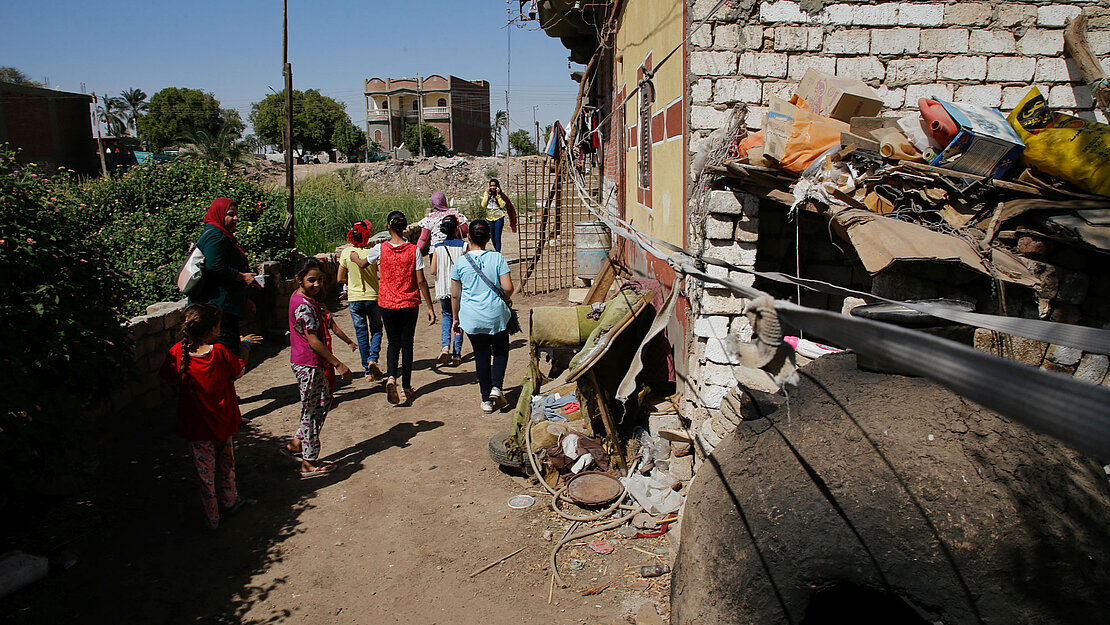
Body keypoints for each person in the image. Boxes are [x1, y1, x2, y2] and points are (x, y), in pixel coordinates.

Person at [160, 303, 261, 530]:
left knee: (204, 473)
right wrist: (244, 345)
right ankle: (230, 500)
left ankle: (212, 517)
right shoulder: (219, 353)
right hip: (222, 420)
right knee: (226, 464)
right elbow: (239, 370)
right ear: (211, 330)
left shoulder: (178, 352)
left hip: (195, 424)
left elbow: (168, 377)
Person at [350, 211, 436, 405]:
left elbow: (363, 264)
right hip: (409, 303)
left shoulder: (380, 249)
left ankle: (391, 378)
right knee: (407, 345)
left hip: (387, 304)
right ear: (404, 227)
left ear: (388, 227)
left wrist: (355, 257)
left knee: (392, 343)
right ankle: (406, 386)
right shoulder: (413, 250)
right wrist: (430, 307)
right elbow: (421, 281)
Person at [286, 258, 353, 479]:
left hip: (306, 362)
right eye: (311, 280)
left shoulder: (300, 299)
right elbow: (314, 341)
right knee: (314, 411)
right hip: (310, 364)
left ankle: (296, 443)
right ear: (299, 279)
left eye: (320, 280)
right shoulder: (304, 306)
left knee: (319, 403)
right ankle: (309, 461)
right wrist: (338, 363)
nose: (317, 285)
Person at [450, 219, 515, 413]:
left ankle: (486, 400)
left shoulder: (460, 262)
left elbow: (455, 294)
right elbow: (508, 287)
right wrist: (507, 298)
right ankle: (497, 387)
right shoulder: (497, 258)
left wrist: (455, 318)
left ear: (468, 236)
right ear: (489, 238)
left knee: (481, 355)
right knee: (501, 350)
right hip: (496, 314)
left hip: (472, 316)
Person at [190, 198, 261, 364]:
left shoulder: (220, 234)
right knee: (227, 355)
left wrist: (245, 298)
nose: (235, 218)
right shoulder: (216, 236)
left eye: (236, 214)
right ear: (220, 214)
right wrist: (242, 276)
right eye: (230, 214)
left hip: (224, 304)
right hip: (219, 307)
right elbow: (215, 265)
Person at [337, 220, 384, 380]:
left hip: (355, 298)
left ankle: (367, 370)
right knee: (377, 329)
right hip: (373, 296)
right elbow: (382, 272)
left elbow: (339, 277)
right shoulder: (373, 252)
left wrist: (352, 282)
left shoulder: (346, 253)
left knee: (361, 332)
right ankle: (373, 358)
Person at [430, 214, 466, 366]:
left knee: (446, 316)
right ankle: (457, 354)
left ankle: (445, 347)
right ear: (457, 229)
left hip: (443, 288)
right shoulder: (464, 246)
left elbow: (432, 271)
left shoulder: (438, 248)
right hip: (459, 289)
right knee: (459, 319)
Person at [416, 191, 468, 256]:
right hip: (455, 249)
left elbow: (423, 239)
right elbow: (465, 230)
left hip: (436, 251)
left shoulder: (429, 219)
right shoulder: (456, 215)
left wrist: (416, 254)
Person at [478, 178, 518, 253]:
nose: (493, 187)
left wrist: (498, 196)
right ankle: (496, 250)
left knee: (497, 237)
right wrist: (487, 195)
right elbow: (483, 205)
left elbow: (503, 205)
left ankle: (497, 252)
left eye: (494, 186)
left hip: (498, 217)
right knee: (492, 237)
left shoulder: (500, 195)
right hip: (489, 218)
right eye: (491, 186)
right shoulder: (487, 194)